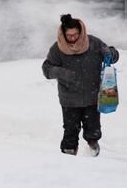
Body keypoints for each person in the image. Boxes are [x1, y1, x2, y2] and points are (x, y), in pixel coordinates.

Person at [42, 14, 119, 156]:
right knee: (71, 129)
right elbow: (46, 69)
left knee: (93, 129)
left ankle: (93, 147)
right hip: (69, 99)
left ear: (81, 32)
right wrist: (63, 73)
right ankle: (68, 154)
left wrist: (110, 54)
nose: (72, 38)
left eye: (75, 34)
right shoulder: (57, 48)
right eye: (69, 35)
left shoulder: (93, 43)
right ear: (63, 34)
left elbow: (114, 55)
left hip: (92, 96)